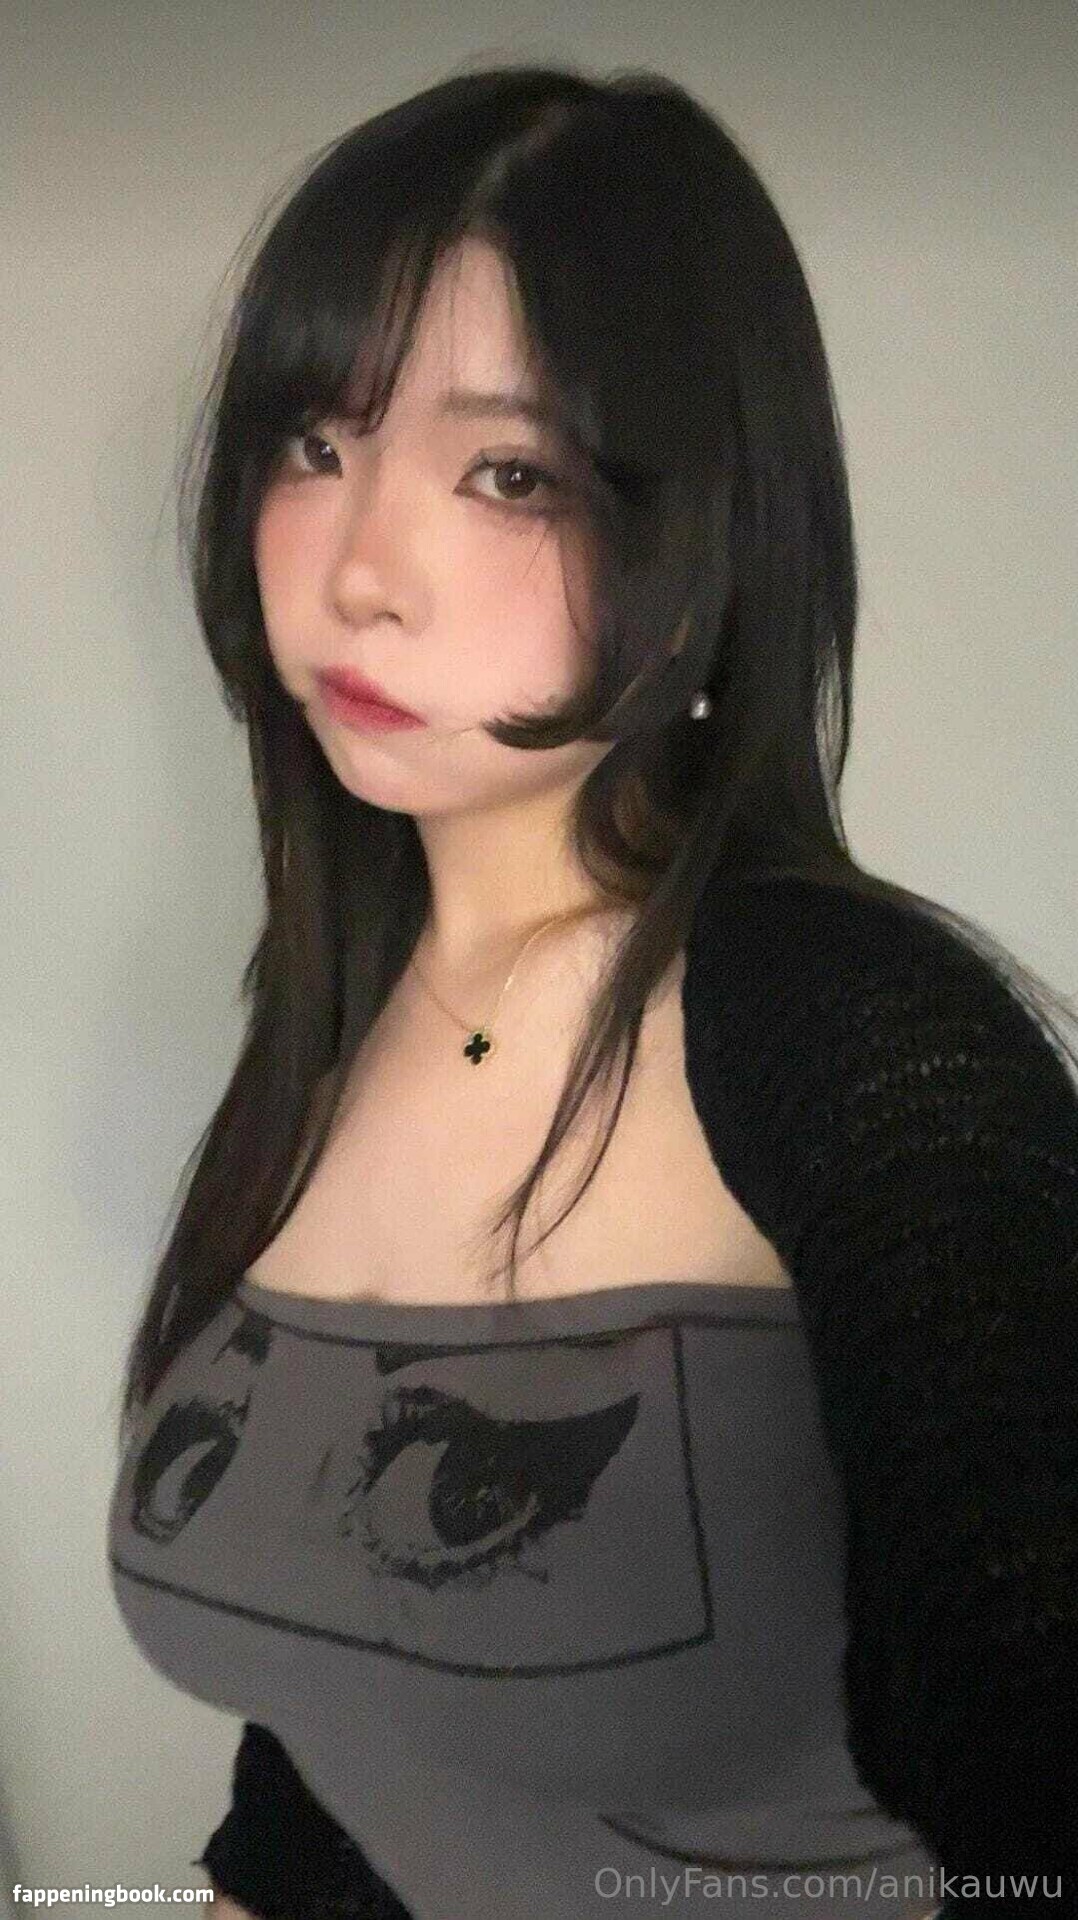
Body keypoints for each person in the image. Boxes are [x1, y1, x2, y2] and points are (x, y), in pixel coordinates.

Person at [106, 60, 1078, 1920]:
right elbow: (339, 1740)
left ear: (698, 549)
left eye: (506, 473)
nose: (360, 570)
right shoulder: (330, 1021)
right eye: (313, 442)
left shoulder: (855, 1037)